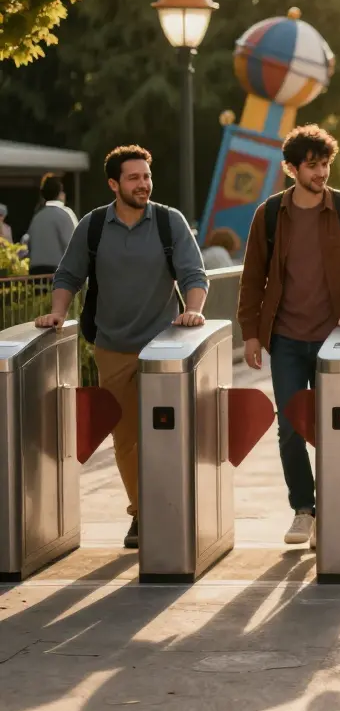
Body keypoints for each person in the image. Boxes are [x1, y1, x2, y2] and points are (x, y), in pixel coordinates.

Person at [35, 145, 209, 549]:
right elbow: (68, 274)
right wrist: (58, 312)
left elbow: (193, 273)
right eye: (133, 178)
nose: (143, 184)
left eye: (146, 176)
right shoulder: (93, 226)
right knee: (126, 437)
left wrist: (195, 310)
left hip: (166, 348)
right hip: (112, 345)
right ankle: (142, 513)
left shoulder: (169, 222)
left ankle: (174, 508)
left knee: (170, 434)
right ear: (114, 184)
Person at [237, 125, 340, 548]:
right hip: (284, 340)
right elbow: (252, 279)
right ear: (290, 168)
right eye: (313, 165)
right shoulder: (269, 214)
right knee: (290, 428)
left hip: (335, 341)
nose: (322, 173)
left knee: (335, 428)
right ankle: (304, 509)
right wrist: (250, 334)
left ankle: (334, 510)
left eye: (326, 164)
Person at [26, 174, 79, 275]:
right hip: (56, 271)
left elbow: (29, 246)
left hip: (35, 272)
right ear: (60, 193)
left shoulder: (37, 217)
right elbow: (72, 245)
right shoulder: (64, 213)